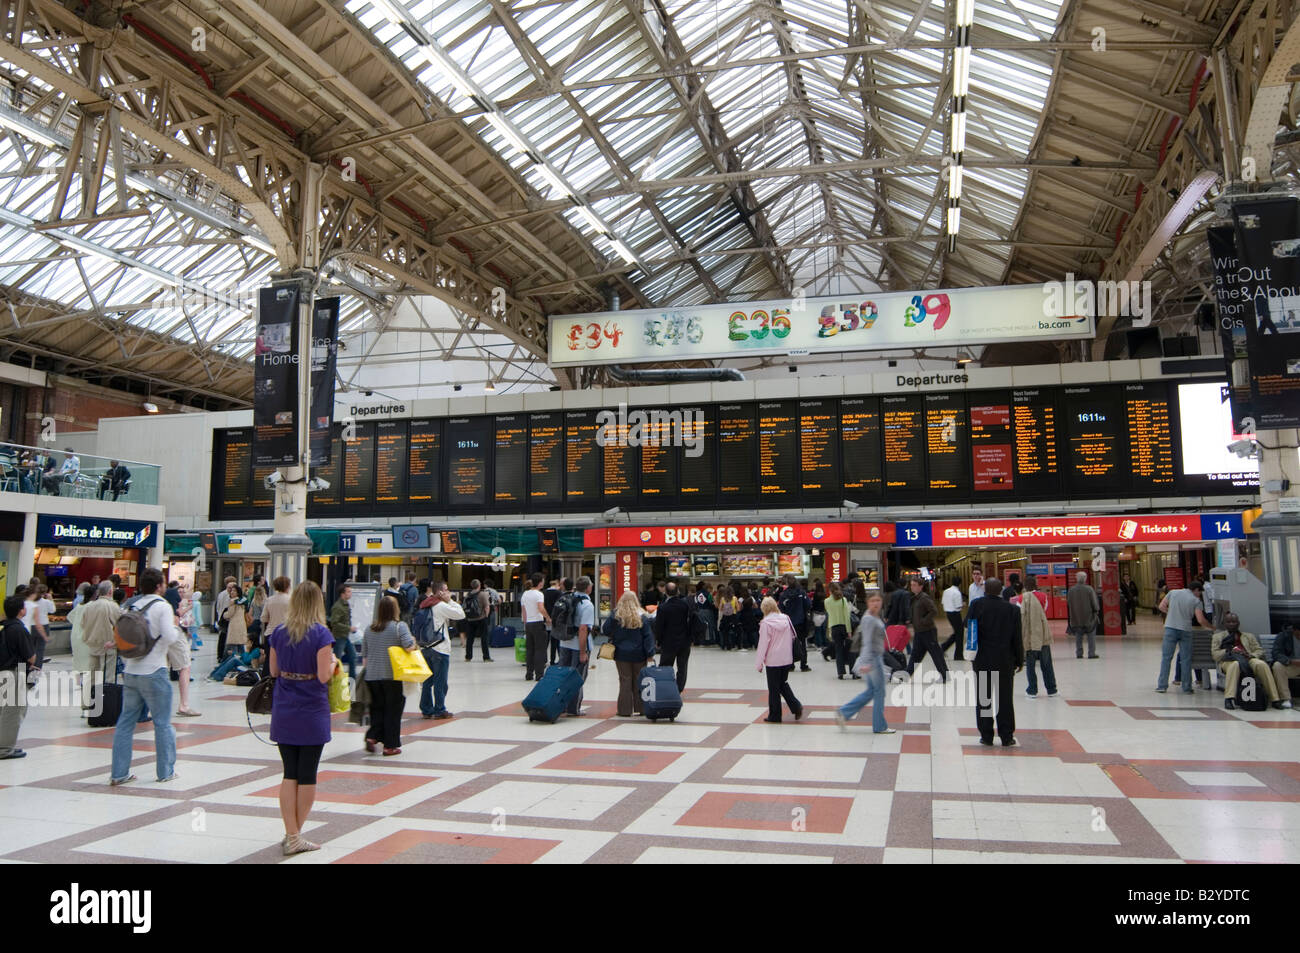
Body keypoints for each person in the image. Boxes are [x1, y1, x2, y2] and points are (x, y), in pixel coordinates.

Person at [267, 580, 336, 854]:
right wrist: (333, 663)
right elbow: (322, 676)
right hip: (312, 709)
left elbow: (273, 671)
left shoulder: (279, 632)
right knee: (308, 774)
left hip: (284, 706)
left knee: (289, 773)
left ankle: (292, 833)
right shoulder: (321, 634)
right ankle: (294, 836)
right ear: (318, 603)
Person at [109, 568, 181, 785]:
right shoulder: (162, 607)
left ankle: (119, 773)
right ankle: (165, 771)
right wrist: (178, 630)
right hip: (154, 671)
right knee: (162, 723)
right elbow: (169, 636)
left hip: (130, 671)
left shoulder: (131, 605)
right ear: (159, 586)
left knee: (125, 722)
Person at [968, 578, 1024, 747]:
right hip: (1005, 660)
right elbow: (1017, 638)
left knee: (984, 698)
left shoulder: (976, 605)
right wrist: (1019, 659)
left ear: (985, 589)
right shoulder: (1012, 610)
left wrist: (971, 654)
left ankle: (986, 735)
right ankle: (1006, 736)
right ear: (1001, 590)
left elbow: (970, 629)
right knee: (1005, 698)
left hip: (982, 659)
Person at [362, 595, 417, 755]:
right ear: (395, 609)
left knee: (377, 708)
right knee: (393, 711)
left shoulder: (369, 628)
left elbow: (365, 655)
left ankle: (372, 736)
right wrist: (413, 643)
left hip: (372, 675)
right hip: (392, 675)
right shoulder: (399, 627)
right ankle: (390, 745)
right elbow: (408, 646)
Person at [835, 592, 894, 734]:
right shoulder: (869, 619)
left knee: (871, 691)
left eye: (878, 600)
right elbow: (867, 642)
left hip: (872, 657)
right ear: (868, 602)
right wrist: (866, 662)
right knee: (879, 692)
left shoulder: (873, 616)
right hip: (873, 659)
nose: (876, 603)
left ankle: (844, 712)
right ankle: (879, 726)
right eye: (873, 600)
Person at [1212, 612, 1285, 710]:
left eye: (1234, 622)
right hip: (1229, 661)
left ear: (1238, 623)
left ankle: (1275, 699)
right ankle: (1229, 698)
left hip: (1247, 658)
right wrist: (1228, 650)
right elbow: (1215, 655)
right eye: (1228, 622)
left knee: (1261, 664)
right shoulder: (1218, 637)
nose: (1231, 624)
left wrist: (1251, 655)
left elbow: (1259, 650)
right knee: (1235, 665)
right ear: (1224, 624)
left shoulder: (1248, 636)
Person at [603, 591, 656, 716]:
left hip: (621, 654)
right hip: (639, 654)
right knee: (639, 680)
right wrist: (650, 653)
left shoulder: (616, 615)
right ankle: (641, 708)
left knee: (625, 681)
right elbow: (648, 636)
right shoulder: (642, 616)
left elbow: (605, 630)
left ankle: (624, 710)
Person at [418, 581, 464, 719]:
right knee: (440, 681)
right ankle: (439, 709)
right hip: (440, 648)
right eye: (446, 590)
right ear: (440, 592)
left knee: (427, 681)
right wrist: (451, 601)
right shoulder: (440, 605)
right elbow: (460, 614)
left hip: (425, 647)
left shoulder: (424, 604)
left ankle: (426, 709)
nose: (449, 592)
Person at [756, 596, 804, 723]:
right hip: (786, 658)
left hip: (773, 660)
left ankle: (775, 715)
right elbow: (794, 636)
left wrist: (759, 663)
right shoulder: (786, 618)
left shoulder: (765, 623)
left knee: (773, 688)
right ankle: (796, 706)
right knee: (782, 683)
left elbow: (763, 645)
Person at [1156, 580, 1209, 694]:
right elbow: (1200, 620)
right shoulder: (1196, 601)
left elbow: (1161, 606)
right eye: (1199, 593)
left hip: (1170, 628)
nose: (1199, 595)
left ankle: (1162, 686)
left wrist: (1170, 613)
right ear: (1196, 590)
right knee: (1186, 660)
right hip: (1185, 630)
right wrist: (1211, 627)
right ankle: (1186, 687)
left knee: (1166, 658)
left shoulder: (1173, 592)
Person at [0, 595, 34, 759]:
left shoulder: (2, 627)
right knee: (12, 713)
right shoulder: (19, 629)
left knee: (2, 711)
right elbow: (30, 657)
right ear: (22, 610)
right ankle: (5, 749)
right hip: (14, 673)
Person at [556, 576, 593, 716]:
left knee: (564, 676)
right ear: (588, 588)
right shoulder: (587, 605)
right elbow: (583, 629)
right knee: (577, 678)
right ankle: (573, 708)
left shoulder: (567, 598)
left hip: (564, 643)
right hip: (579, 646)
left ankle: (561, 704)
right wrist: (583, 652)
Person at [1020, 575, 1057, 698]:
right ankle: (1052, 690)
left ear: (1025, 585)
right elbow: (1044, 611)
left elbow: (1020, 616)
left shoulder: (1021, 598)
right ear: (1036, 584)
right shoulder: (1043, 597)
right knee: (1047, 664)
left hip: (1029, 636)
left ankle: (1032, 690)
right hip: (1042, 635)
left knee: (1030, 665)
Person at [906, 578, 948, 682]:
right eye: (911, 585)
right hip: (919, 631)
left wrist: (923, 621)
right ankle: (906, 674)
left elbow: (933, 611)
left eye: (915, 585)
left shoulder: (924, 598)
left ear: (921, 586)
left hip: (928, 631)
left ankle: (944, 675)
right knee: (915, 655)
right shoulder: (915, 598)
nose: (912, 587)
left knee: (935, 653)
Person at [80, 581, 121, 687]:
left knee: (92, 676)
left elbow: (83, 624)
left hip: (92, 644)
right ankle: (105, 701)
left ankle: (90, 700)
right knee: (108, 677)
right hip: (108, 646)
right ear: (110, 591)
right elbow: (120, 624)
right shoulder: (112, 606)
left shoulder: (89, 606)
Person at [655, 580, 693, 692]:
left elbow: (659, 626)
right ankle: (679, 688)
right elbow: (689, 622)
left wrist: (658, 640)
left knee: (666, 666)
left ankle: (666, 687)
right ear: (677, 591)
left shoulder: (663, 607)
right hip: (684, 641)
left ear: (665, 592)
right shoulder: (685, 605)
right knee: (682, 666)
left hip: (668, 642)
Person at [67, 583, 94, 709]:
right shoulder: (91, 606)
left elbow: (70, 617)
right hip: (86, 639)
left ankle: (81, 686)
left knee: (80, 665)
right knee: (90, 669)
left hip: (75, 638)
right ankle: (87, 699)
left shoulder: (79, 605)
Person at [778, 574, 812, 672]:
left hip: (788, 623)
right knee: (802, 644)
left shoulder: (783, 595)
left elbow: (781, 609)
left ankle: (791, 665)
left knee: (789, 644)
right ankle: (803, 664)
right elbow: (808, 605)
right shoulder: (802, 593)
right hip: (801, 622)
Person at [520, 573, 550, 681]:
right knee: (540, 649)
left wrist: (525, 623)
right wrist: (548, 618)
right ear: (540, 582)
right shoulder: (539, 594)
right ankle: (539, 674)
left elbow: (523, 611)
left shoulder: (525, 594)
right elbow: (541, 608)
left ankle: (529, 673)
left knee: (530, 650)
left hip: (528, 624)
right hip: (538, 623)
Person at [1067, 570, 1101, 659]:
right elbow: (1094, 603)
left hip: (1076, 617)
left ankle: (1079, 653)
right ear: (1085, 579)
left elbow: (1068, 603)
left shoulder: (1071, 590)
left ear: (1076, 579)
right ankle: (1091, 653)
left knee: (1078, 636)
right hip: (1089, 617)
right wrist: (1096, 610)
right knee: (1091, 636)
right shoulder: (1089, 589)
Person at [328, 583, 359, 680]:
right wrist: (349, 628)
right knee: (337, 660)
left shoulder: (345, 604)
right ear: (342, 594)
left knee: (353, 656)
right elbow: (334, 623)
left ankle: (352, 678)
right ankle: (334, 678)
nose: (350, 594)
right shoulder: (338, 607)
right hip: (339, 637)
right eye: (348, 592)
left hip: (345, 636)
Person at [825, 581, 856, 679]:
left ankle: (840, 673)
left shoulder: (826, 601)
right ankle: (853, 672)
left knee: (838, 650)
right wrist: (849, 631)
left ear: (830, 591)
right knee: (851, 650)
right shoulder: (843, 600)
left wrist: (829, 629)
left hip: (834, 627)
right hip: (844, 627)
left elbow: (829, 615)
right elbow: (846, 616)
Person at [21, 584, 48, 682]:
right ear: (34, 594)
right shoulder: (33, 606)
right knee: (30, 655)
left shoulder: (21, 603)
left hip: (18, 630)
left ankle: (20, 675)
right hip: (26, 632)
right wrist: (44, 636)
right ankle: (29, 677)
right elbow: (38, 623)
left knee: (21, 655)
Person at [1270, 625, 1300, 709]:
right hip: (1291, 665)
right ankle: (1285, 698)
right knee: (1277, 666)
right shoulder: (1283, 636)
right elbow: (1276, 653)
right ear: (1293, 631)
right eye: (1298, 635)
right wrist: (1291, 661)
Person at [219, 582, 249, 661]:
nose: (232, 592)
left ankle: (233, 662)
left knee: (233, 646)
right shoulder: (242, 601)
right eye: (231, 591)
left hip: (234, 625)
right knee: (240, 645)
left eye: (234, 591)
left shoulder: (233, 601)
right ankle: (243, 661)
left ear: (238, 592)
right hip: (242, 624)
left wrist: (224, 614)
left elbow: (230, 614)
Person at [463, 579, 491, 661]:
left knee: (470, 638)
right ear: (479, 585)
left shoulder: (468, 595)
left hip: (470, 619)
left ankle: (468, 657)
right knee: (484, 638)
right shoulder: (483, 594)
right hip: (481, 618)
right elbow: (487, 607)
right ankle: (486, 657)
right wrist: (486, 616)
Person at [939, 575, 966, 660]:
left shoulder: (946, 591)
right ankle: (958, 655)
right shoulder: (957, 593)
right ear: (960, 584)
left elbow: (943, 602)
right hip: (955, 614)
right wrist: (963, 604)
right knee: (960, 633)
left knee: (957, 633)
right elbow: (958, 606)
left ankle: (943, 647)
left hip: (948, 613)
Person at [261, 576, 291, 649]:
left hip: (271, 632)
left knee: (269, 659)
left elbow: (263, 618)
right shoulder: (291, 600)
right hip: (286, 633)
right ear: (288, 586)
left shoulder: (269, 600)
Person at [544, 577, 564, 666]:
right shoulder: (558, 593)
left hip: (546, 619)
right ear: (557, 585)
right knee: (555, 642)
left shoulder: (544, 593)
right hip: (555, 619)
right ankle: (555, 659)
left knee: (546, 641)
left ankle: (545, 659)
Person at [717, 585, 739, 650]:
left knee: (725, 632)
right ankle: (732, 645)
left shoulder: (723, 599)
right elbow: (738, 609)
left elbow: (720, 609)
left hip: (725, 617)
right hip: (733, 617)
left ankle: (725, 645)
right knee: (733, 631)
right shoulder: (734, 598)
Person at [811, 580, 828, 649]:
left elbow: (814, 604)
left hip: (817, 614)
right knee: (823, 630)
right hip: (824, 613)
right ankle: (824, 643)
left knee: (817, 630)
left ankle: (819, 644)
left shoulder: (815, 594)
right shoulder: (824, 594)